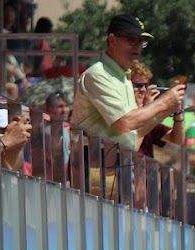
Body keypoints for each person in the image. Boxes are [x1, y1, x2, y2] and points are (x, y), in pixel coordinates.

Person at [72, 14, 185, 155]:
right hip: (93, 163)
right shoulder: (98, 74)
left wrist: (168, 109)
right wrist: (164, 102)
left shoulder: (123, 77)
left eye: (141, 42)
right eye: (131, 40)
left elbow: (132, 137)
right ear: (112, 40)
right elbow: (124, 123)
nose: (137, 47)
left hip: (114, 162)